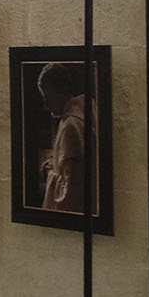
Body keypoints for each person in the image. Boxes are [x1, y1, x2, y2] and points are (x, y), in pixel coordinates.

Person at [37, 62, 92, 213]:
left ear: (63, 90)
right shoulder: (82, 113)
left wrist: (49, 174)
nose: (46, 104)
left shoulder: (71, 126)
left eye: (48, 97)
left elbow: (71, 193)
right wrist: (56, 165)